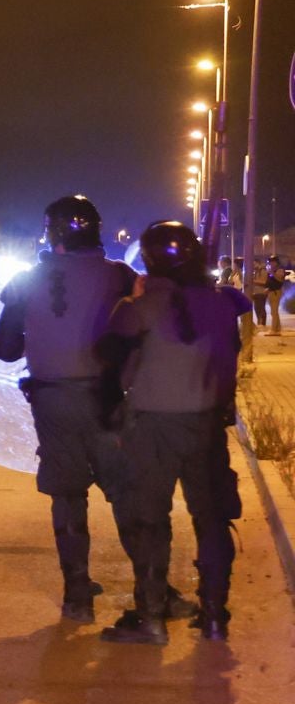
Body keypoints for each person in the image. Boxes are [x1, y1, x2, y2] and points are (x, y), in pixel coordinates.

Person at [94, 222, 251, 644]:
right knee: (212, 520)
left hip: (151, 427)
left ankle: (151, 619)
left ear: (147, 260)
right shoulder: (222, 306)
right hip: (206, 426)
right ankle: (215, 617)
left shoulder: (136, 309)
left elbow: (107, 357)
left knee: (149, 521)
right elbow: (230, 357)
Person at [0, 196, 136, 623]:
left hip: (51, 402)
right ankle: (155, 590)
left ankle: (77, 597)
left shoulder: (25, 281)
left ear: (50, 232)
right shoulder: (121, 276)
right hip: (107, 401)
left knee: (67, 496)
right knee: (125, 492)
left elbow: (4, 349)